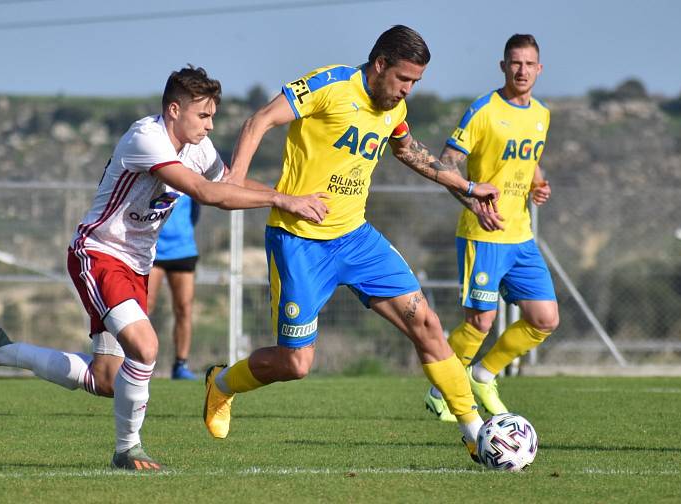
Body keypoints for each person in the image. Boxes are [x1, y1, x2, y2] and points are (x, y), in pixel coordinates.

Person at [0, 66, 329, 471]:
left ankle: (1, 351)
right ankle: (127, 450)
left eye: (213, 116)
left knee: (107, 379)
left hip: (137, 265)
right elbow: (206, 192)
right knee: (146, 348)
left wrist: (290, 195)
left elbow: (230, 182)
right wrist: (283, 202)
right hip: (99, 254)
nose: (211, 125)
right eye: (204, 116)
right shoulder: (146, 139)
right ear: (174, 110)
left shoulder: (198, 148)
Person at [202, 25, 500, 462]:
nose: (407, 90)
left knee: (429, 325)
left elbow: (410, 151)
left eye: (415, 82)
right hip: (299, 242)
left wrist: (468, 190)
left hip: (357, 240)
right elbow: (260, 119)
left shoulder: (391, 106)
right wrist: (236, 177)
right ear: (379, 65)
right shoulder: (331, 85)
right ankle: (222, 383)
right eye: (403, 79)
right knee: (295, 365)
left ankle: (475, 434)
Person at [424, 34, 558, 423]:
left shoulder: (541, 114)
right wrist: (473, 204)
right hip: (482, 235)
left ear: (539, 68)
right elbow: (446, 164)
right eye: (515, 63)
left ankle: (482, 376)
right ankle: (440, 391)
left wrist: (539, 183)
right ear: (503, 66)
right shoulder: (483, 110)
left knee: (545, 319)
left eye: (529, 63)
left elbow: (530, 157)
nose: (522, 70)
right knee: (479, 323)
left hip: (521, 236)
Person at [147, 195, 201, 380]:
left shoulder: (191, 174)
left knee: (184, 308)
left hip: (183, 250)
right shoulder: (157, 172)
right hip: (153, 249)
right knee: (144, 306)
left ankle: (181, 364)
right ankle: (136, 361)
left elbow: (195, 212)